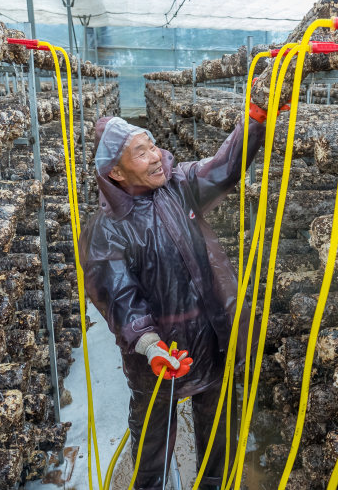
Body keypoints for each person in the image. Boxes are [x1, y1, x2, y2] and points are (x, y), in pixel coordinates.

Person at [79, 104, 274, 489]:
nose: (155, 157)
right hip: (162, 356)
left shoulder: (178, 186)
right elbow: (119, 297)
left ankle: (214, 483)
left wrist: (255, 118)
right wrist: (149, 345)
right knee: (153, 433)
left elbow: (222, 168)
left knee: (219, 426)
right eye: (140, 152)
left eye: (152, 145)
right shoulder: (107, 230)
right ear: (115, 173)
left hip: (211, 337)